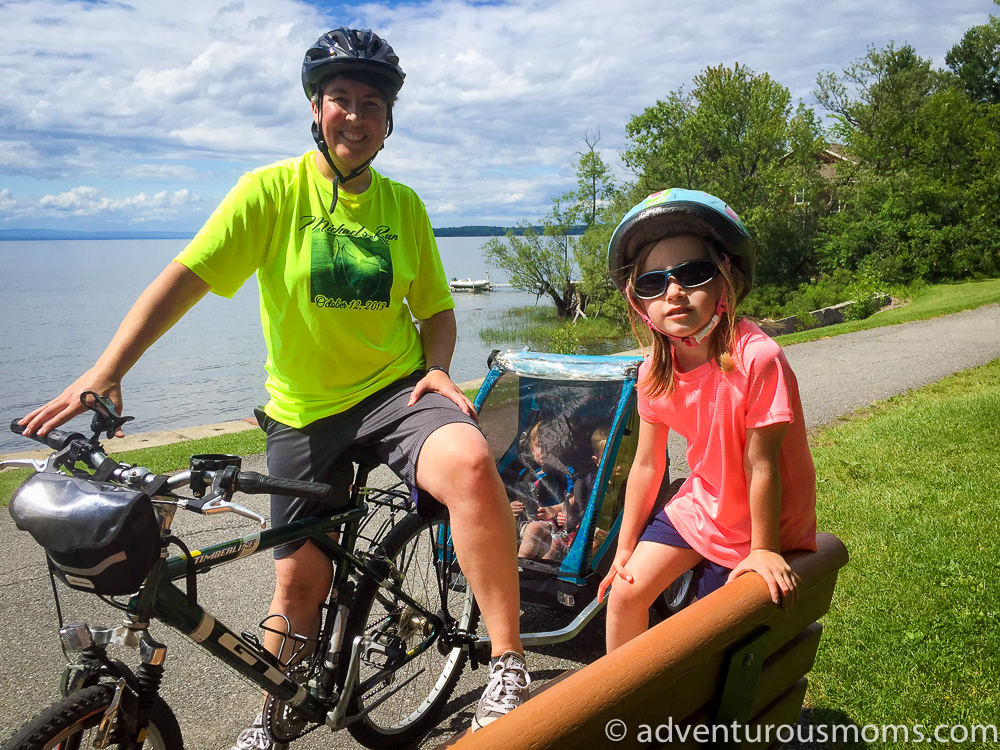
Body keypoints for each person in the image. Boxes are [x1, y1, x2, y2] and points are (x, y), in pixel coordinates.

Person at [19, 27, 529, 744]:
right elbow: (185, 279)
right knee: (296, 582)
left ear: (388, 124)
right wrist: (109, 370)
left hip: (393, 394)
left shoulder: (404, 206)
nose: (355, 115)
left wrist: (439, 364)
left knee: (472, 464)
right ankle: (274, 711)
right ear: (315, 110)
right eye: (341, 99)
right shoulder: (270, 193)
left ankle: (506, 664)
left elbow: (437, 311)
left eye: (372, 105)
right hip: (301, 412)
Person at [596, 188, 817, 653]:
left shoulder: (758, 358)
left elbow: (763, 466)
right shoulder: (654, 372)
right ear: (639, 302)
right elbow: (646, 465)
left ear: (725, 280)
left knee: (703, 635)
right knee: (625, 592)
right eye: (653, 283)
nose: (673, 292)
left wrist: (764, 549)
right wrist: (624, 549)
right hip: (705, 503)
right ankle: (623, 715)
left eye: (692, 273)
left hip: (762, 521)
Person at [518, 425, 606, 562]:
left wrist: (556, 511)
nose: (545, 451)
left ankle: (538, 569)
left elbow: (573, 498)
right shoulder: (528, 476)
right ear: (531, 449)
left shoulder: (566, 474)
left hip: (560, 523)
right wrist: (514, 507)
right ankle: (522, 567)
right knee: (533, 529)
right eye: (540, 445)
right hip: (534, 521)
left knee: (551, 542)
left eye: (550, 446)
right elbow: (522, 501)